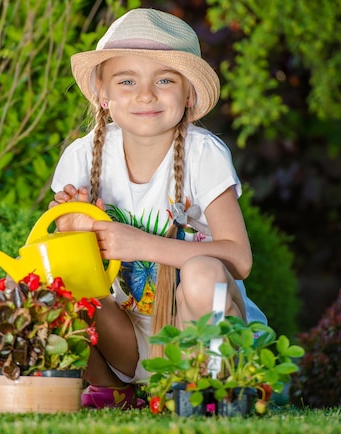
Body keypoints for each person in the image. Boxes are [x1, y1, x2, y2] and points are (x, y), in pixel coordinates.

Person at [49, 8, 267, 410]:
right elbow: (73, 269)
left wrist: (140, 245)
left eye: (164, 80)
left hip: (195, 332)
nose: (145, 94)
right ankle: (110, 388)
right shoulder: (82, 157)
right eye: (126, 81)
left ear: (188, 94)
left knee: (202, 272)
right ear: (103, 93)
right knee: (60, 281)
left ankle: (212, 389)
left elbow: (239, 259)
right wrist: (74, 231)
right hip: (125, 342)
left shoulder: (204, 153)